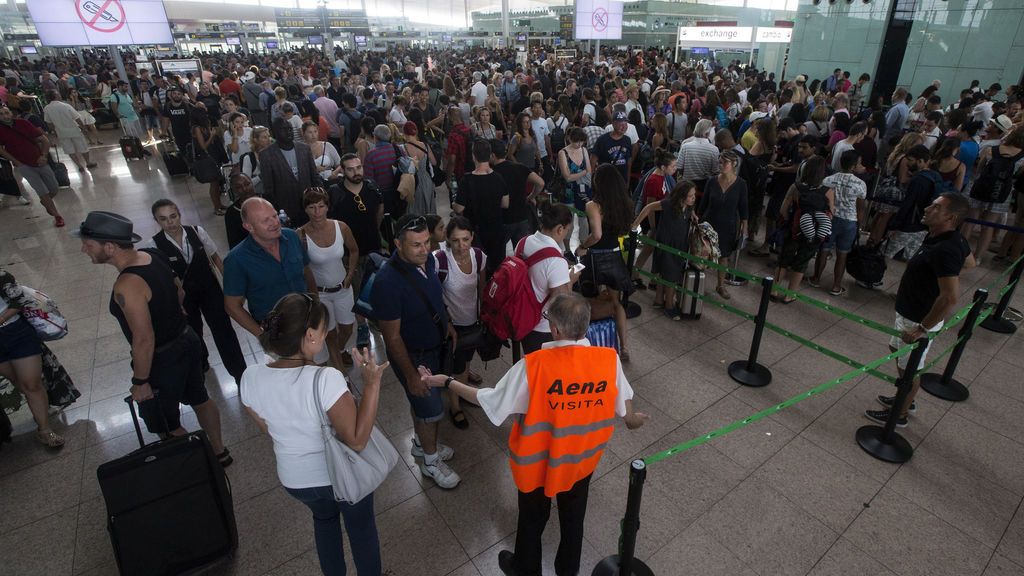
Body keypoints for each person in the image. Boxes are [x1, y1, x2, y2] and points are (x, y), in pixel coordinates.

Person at [418, 292, 647, 576]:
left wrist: (448, 381)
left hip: (537, 466)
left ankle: (525, 569)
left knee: (531, 520)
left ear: (556, 329)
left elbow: (489, 400)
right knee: (573, 523)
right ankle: (567, 571)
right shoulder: (608, 360)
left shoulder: (534, 366)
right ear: (585, 327)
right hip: (580, 464)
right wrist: (634, 419)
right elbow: (625, 408)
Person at [241, 294, 388, 576]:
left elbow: (267, 428)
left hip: (296, 480)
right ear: (309, 335)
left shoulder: (250, 377)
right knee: (361, 528)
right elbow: (356, 439)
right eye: (323, 333)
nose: (324, 339)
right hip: (341, 476)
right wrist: (371, 384)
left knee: (324, 522)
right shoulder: (325, 379)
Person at [75, 211, 230, 465]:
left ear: (110, 247)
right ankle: (219, 451)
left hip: (162, 358)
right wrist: (174, 310)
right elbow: (179, 289)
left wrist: (140, 381)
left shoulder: (127, 284)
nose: (84, 249)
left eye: (88, 244)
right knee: (200, 397)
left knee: (165, 421)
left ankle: (201, 466)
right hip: (187, 338)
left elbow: (144, 338)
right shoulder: (153, 255)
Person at [865, 193, 974, 427]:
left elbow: (950, 297)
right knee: (897, 351)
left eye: (935, 207)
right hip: (908, 313)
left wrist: (921, 328)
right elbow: (970, 263)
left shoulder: (946, 248)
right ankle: (905, 399)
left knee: (910, 369)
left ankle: (900, 414)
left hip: (917, 319)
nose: (927, 208)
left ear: (950, 217)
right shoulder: (947, 238)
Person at [371, 213, 461, 489]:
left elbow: (433, 294)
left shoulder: (428, 260)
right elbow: (392, 337)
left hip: (434, 346)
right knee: (430, 409)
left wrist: (446, 321)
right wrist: (410, 374)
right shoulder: (388, 282)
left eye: (426, 242)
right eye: (416, 245)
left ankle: (423, 446)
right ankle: (431, 462)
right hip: (414, 356)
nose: (425, 250)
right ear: (398, 244)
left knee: (423, 406)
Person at [145, 199, 247, 384]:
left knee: (223, 331)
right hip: (184, 297)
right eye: (164, 219)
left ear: (179, 215)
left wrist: (231, 285)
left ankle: (239, 373)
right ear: (156, 221)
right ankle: (201, 362)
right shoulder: (154, 245)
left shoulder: (197, 232)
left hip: (210, 290)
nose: (170, 222)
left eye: (173, 216)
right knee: (193, 333)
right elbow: (161, 279)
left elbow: (216, 258)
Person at [223, 198, 317, 337]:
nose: (274, 222)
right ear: (249, 227)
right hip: (276, 332)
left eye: (274, 216)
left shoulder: (291, 237)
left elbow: (306, 272)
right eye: (265, 220)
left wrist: (316, 306)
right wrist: (262, 336)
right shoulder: (236, 259)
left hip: (306, 319)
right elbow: (232, 306)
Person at [0, 268, 72, 449]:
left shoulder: (2, 275)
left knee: (31, 383)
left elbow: (18, 302)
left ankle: (45, 429)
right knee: (18, 381)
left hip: (16, 333)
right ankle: (42, 407)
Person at [432, 216, 487, 429]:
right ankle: (455, 405)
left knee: (463, 360)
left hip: (472, 320)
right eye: (455, 240)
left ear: (472, 237)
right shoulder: (440, 261)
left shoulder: (480, 257)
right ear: (447, 239)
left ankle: (462, 384)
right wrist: (447, 323)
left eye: (465, 239)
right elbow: (434, 295)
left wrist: (484, 315)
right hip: (451, 325)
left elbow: (481, 289)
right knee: (454, 364)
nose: (461, 245)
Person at [297, 188, 359, 370]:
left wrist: (350, 273)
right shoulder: (300, 235)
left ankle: (339, 350)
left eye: (321, 206)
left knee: (348, 327)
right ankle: (341, 375)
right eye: (311, 207)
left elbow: (354, 250)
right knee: (330, 334)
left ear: (327, 207)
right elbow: (301, 266)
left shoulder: (341, 227)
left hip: (343, 288)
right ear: (305, 209)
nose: (317, 212)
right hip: (321, 293)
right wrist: (311, 293)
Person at [330, 153, 385, 351]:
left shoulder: (371, 188)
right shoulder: (336, 193)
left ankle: (376, 319)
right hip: (349, 253)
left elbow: (380, 209)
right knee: (356, 289)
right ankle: (362, 326)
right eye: (351, 169)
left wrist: (375, 230)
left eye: (359, 167)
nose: (356, 172)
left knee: (375, 287)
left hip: (373, 247)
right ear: (343, 171)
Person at [519, 202, 583, 354]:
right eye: (567, 230)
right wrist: (571, 280)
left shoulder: (523, 242)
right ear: (560, 228)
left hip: (522, 317)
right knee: (544, 372)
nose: (567, 233)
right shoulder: (555, 260)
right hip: (542, 328)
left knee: (531, 365)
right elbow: (562, 304)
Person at [773, 155, 834, 303]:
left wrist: (789, 221)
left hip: (794, 230)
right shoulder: (828, 191)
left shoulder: (796, 187)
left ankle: (774, 290)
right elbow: (831, 214)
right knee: (801, 262)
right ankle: (790, 294)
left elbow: (783, 209)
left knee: (783, 260)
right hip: (814, 233)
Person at [634, 181, 699, 319]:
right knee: (671, 276)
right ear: (681, 196)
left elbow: (689, 213)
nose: (693, 198)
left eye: (694, 195)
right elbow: (648, 208)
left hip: (680, 245)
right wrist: (635, 225)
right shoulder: (668, 204)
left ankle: (658, 300)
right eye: (690, 196)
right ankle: (669, 305)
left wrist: (692, 212)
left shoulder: (688, 208)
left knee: (665, 273)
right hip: (666, 244)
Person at [808, 150, 867, 296]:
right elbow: (861, 207)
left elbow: (822, 200)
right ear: (853, 166)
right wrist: (859, 224)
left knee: (824, 249)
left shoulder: (829, 179)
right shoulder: (860, 184)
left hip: (830, 219)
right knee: (842, 254)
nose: (862, 166)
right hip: (850, 222)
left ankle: (816, 278)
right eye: (860, 163)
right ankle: (836, 286)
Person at [964, 125, 1024, 264]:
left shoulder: (991, 150)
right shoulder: (1022, 158)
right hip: (1002, 193)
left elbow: (979, 170)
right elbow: (1016, 177)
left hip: (981, 188)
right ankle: (978, 257)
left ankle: (961, 251)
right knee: (989, 225)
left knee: (970, 222)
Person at [0, 105, 66, 227]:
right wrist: (15, 161)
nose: (5, 116)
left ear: (11, 113)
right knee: (42, 190)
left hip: (39, 160)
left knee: (54, 188)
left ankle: (45, 202)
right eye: (1, 114)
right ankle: (57, 215)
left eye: (6, 112)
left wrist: (44, 156)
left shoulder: (23, 123)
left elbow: (44, 139)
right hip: (23, 165)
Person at [453, 140, 510, 276]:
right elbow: (505, 204)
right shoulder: (498, 178)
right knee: (496, 269)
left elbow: (459, 208)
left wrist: (453, 205)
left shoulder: (466, 181)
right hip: (496, 230)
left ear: (473, 156)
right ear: (490, 155)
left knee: (478, 268)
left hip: (476, 231)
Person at [697, 149, 748, 299]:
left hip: (728, 225)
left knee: (723, 257)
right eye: (720, 162)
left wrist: (744, 226)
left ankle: (720, 285)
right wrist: (698, 221)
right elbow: (703, 203)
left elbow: (743, 207)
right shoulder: (712, 181)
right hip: (709, 223)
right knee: (704, 255)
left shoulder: (741, 184)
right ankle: (699, 284)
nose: (721, 165)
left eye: (724, 162)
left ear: (733, 164)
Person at [260, 117, 323, 228]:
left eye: (290, 129)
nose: (288, 132)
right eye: (283, 129)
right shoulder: (266, 155)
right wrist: (276, 210)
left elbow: (314, 176)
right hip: (285, 209)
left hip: (309, 204)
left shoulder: (304, 149)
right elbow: (269, 187)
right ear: (274, 133)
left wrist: (320, 199)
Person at [885, 145, 943, 262]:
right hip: (923, 226)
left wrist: (895, 224)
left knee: (887, 255)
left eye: (911, 161)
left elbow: (908, 204)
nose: (907, 164)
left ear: (921, 161)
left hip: (908, 225)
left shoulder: (918, 180)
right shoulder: (936, 177)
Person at [491, 138, 544, 247]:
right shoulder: (519, 167)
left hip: (502, 220)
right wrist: (530, 196)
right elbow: (540, 183)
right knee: (521, 254)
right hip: (522, 218)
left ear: (492, 155)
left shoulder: (493, 174)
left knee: (498, 255)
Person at [557, 127, 593, 254]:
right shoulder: (563, 153)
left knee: (584, 221)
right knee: (568, 222)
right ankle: (567, 251)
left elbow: (589, 170)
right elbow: (567, 177)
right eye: (576, 141)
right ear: (570, 139)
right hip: (568, 193)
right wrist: (583, 172)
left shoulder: (584, 150)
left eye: (581, 141)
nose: (579, 144)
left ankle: (584, 248)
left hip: (582, 192)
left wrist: (579, 174)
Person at [42, 90, 96, 172]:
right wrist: (83, 128)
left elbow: (49, 123)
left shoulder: (47, 108)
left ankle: (79, 166)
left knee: (69, 150)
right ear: (56, 96)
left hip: (61, 132)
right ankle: (88, 163)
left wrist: (54, 131)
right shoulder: (65, 106)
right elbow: (77, 118)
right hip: (74, 130)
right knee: (82, 147)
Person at [191, 108, 229, 215]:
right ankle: (216, 207)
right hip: (205, 158)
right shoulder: (197, 129)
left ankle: (219, 204)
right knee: (213, 183)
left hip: (212, 156)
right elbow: (203, 146)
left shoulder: (204, 127)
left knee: (216, 183)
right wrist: (212, 135)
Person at [675, 119, 719, 195]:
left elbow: (679, 167)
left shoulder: (685, 146)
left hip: (687, 185)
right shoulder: (714, 149)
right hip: (705, 186)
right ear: (707, 134)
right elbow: (715, 171)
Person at [591, 110, 633, 186]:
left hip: (621, 181)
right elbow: (593, 160)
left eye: (625, 124)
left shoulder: (627, 140)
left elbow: (629, 162)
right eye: (621, 124)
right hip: (606, 182)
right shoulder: (602, 140)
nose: (624, 127)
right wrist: (593, 181)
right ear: (613, 124)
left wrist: (628, 180)